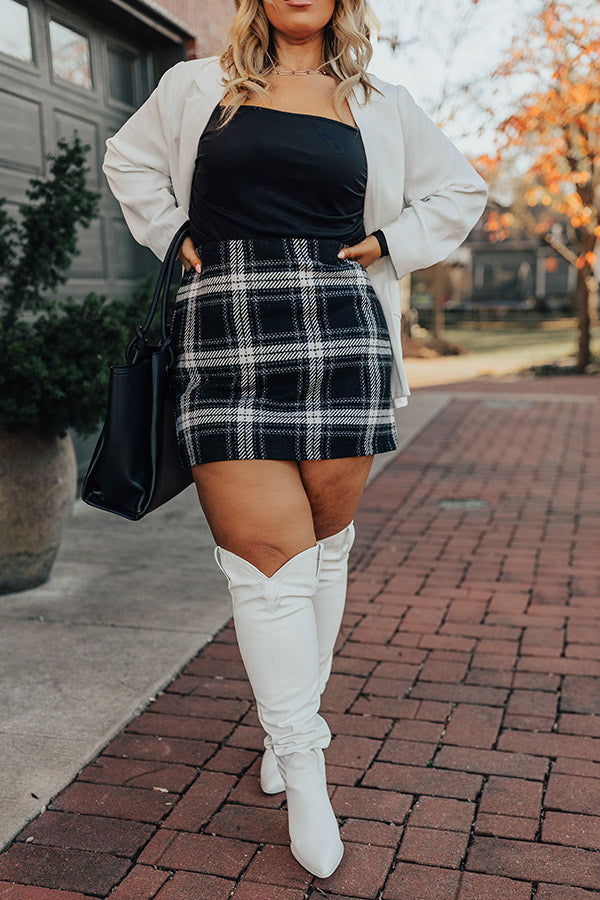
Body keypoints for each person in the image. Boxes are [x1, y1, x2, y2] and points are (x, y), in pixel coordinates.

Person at [102, 0, 488, 879]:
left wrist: (391, 242)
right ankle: (303, 760)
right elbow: (127, 161)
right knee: (266, 561)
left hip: (341, 328)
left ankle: (290, 722)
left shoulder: (378, 99)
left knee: (321, 545)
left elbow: (460, 188)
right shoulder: (195, 85)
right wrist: (175, 235)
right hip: (224, 325)